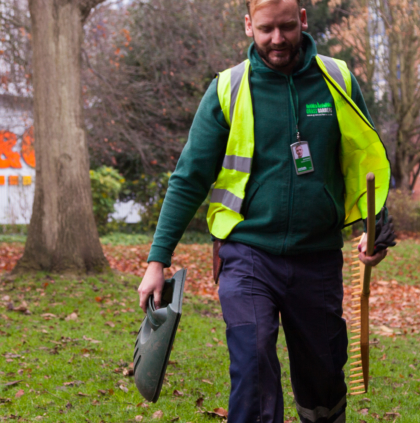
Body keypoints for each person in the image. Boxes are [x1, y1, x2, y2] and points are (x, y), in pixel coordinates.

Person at [135, 0, 393, 421]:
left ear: (303, 20)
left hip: (318, 258)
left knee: (323, 376)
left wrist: (375, 227)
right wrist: (157, 259)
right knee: (253, 362)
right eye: (266, 29)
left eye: (287, 27)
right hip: (247, 253)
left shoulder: (338, 79)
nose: (278, 39)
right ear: (248, 25)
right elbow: (189, 177)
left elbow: (364, 162)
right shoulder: (228, 88)